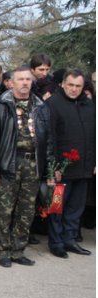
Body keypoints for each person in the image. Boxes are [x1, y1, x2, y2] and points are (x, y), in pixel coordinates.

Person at [0, 66, 52, 267]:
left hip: (33, 165)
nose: (25, 83)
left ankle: (18, 250)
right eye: (20, 79)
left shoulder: (40, 106)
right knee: (4, 211)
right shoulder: (1, 106)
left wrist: (49, 170)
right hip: (9, 163)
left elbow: (48, 141)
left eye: (28, 79)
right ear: (11, 82)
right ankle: (3, 251)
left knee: (26, 210)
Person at [44, 69, 96, 257]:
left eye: (78, 86)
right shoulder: (52, 104)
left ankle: (70, 239)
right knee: (57, 207)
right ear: (63, 84)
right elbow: (49, 138)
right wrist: (53, 167)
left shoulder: (89, 106)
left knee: (76, 208)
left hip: (84, 169)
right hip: (61, 170)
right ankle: (56, 242)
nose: (74, 89)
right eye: (71, 85)